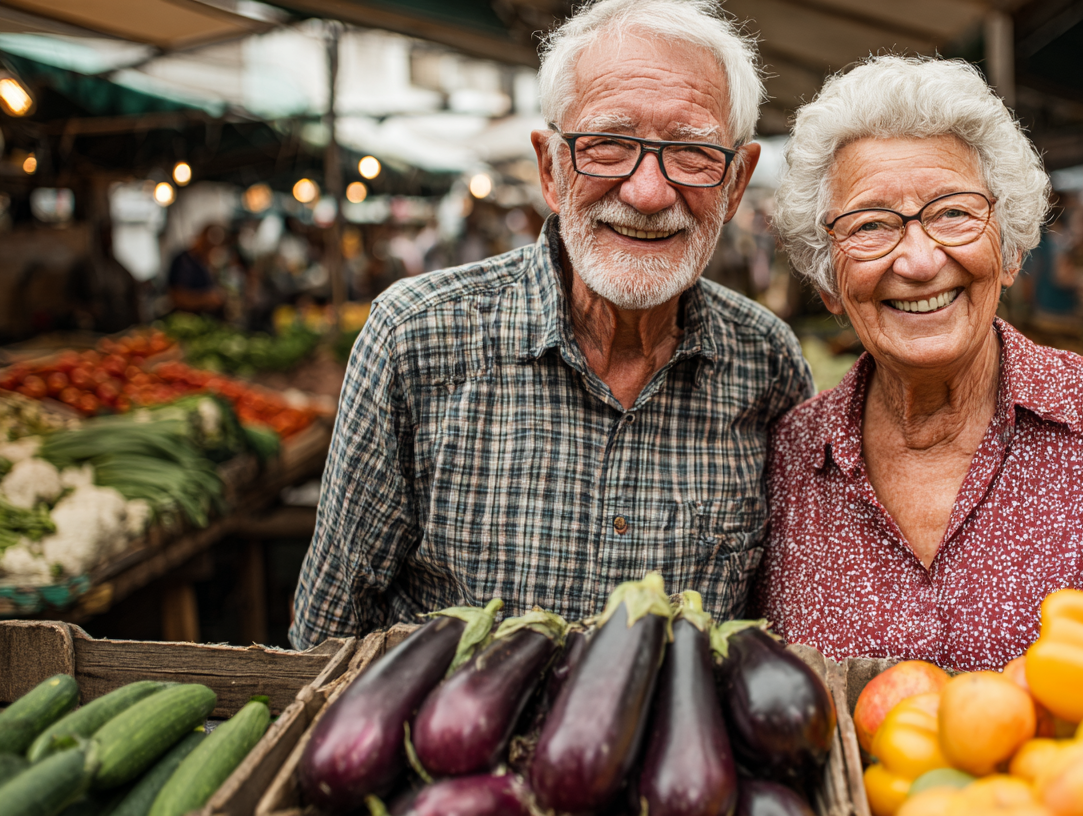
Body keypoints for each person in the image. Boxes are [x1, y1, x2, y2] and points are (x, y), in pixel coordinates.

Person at [290, 0, 813, 647]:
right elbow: (325, 640)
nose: (648, 192)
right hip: (449, 748)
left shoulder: (769, 364)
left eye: (692, 153)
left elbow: (769, 639)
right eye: (609, 145)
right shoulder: (415, 338)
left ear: (736, 184)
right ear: (551, 169)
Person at [758, 56, 1083, 670]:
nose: (921, 261)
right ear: (829, 283)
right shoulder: (790, 456)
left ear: (1009, 252)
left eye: (953, 212)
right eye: (872, 224)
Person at [167, 225, 227, 316]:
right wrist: (206, 299)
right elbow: (177, 298)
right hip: (184, 318)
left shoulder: (204, 263)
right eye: (208, 247)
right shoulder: (183, 262)